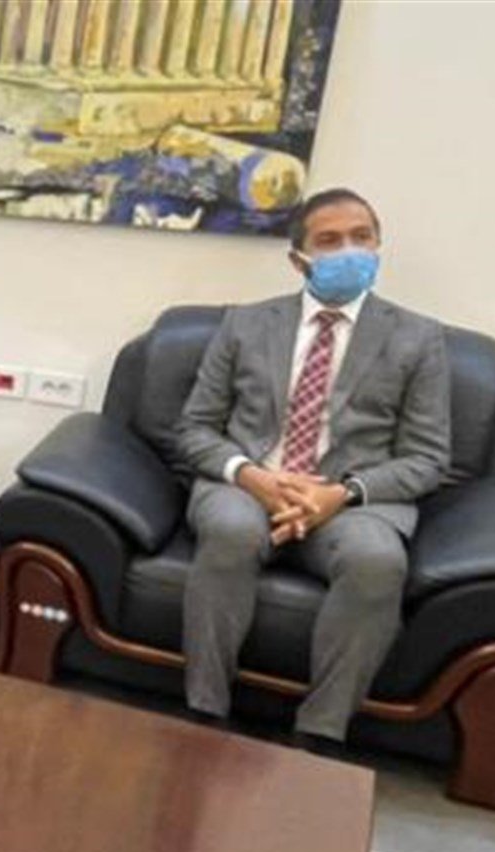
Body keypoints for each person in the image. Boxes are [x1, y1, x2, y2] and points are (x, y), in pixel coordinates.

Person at [178, 188, 451, 749]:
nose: (349, 250)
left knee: (377, 561)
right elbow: (194, 429)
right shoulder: (245, 324)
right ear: (298, 259)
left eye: (361, 237)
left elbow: (427, 458)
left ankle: (320, 735)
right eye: (329, 240)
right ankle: (204, 712)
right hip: (249, 483)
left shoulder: (419, 339)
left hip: (351, 501)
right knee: (230, 531)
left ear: (378, 245)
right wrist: (252, 476)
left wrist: (341, 494)